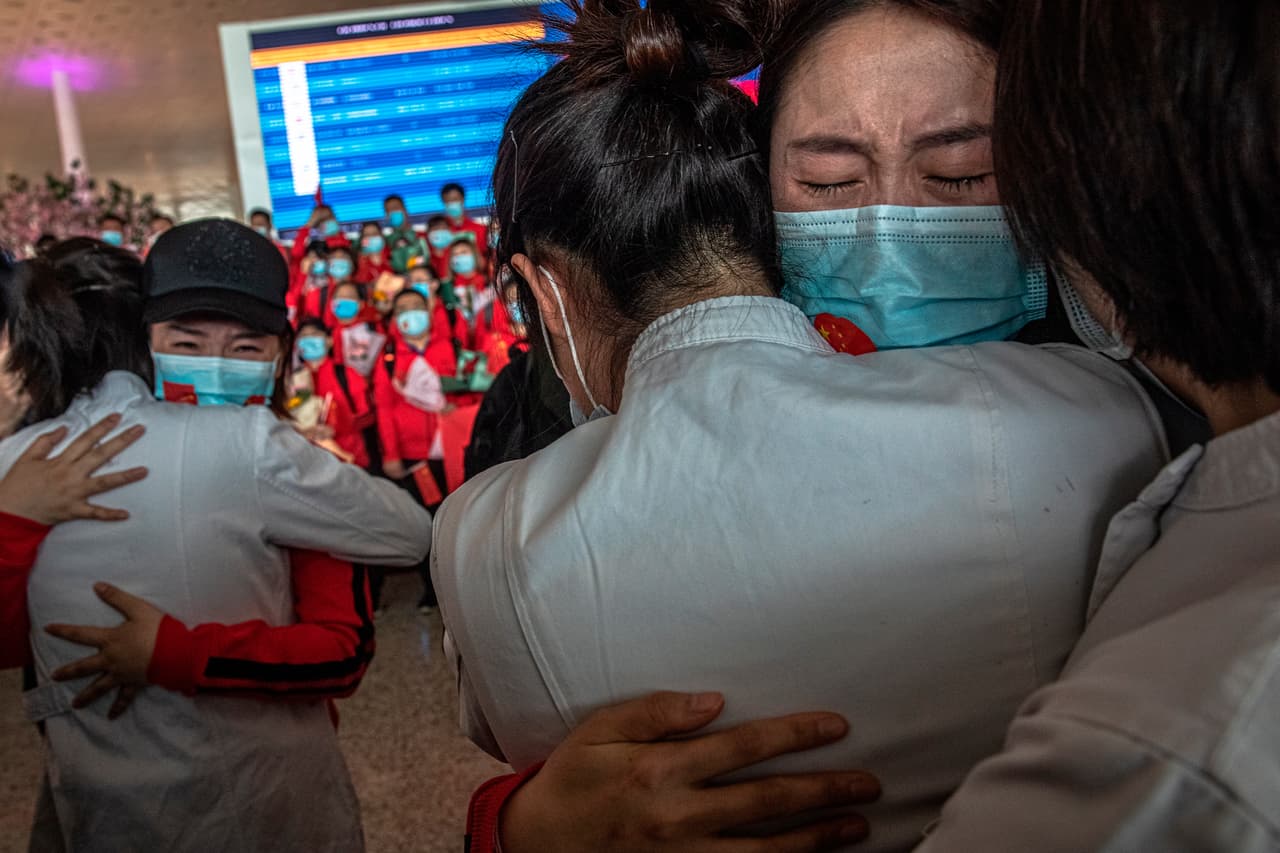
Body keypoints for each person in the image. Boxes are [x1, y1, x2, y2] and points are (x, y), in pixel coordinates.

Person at [476, 1, 1278, 851]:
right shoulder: (588, 420)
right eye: (827, 183)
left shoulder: (1193, 418)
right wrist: (526, 824)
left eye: (963, 175)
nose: (889, 232)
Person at [0, 224, 433, 852]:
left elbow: (341, 644)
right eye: (188, 342)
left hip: (151, 797)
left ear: (283, 352)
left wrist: (175, 652)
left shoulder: (21, 460)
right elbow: (407, 534)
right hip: (247, 796)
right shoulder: (256, 448)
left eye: (246, 347)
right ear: (146, 343)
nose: (216, 366)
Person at [375, 287, 456, 613]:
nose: (411, 313)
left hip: (449, 448)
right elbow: (384, 407)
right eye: (403, 309)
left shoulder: (449, 347)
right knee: (424, 522)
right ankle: (432, 590)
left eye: (416, 306)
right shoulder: (390, 356)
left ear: (429, 310)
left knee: (454, 517)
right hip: (412, 454)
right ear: (395, 319)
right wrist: (391, 454)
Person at [293, 317, 373, 469]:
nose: (309, 339)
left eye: (315, 334)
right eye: (303, 336)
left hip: (349, 459)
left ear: (329, 340)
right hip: (307, 462)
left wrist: (336, 428)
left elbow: (366, 416)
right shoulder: (291, 379)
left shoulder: (346, 374)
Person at [440, 182, 488, 255]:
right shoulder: (439, 232)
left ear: (463, 199)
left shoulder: (481, 229)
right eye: (447, 201)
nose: (451, 203)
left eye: (455, 199)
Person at [425, 214, 457, 281]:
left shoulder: (457, 252)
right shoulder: (425, 255)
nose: (440, 231)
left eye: (443, 228)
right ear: (428, 233)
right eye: (436, 229)